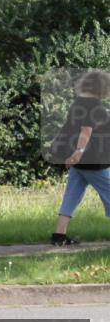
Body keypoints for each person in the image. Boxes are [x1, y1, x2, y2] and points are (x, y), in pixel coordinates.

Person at [50, 70, 110, 245]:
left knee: (71, 196)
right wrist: (78, 152)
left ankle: (59, 236)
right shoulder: (94, 106)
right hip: (92, 161)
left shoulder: (78, 103)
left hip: (78, 162)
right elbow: (86, 131)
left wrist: (73, 155)